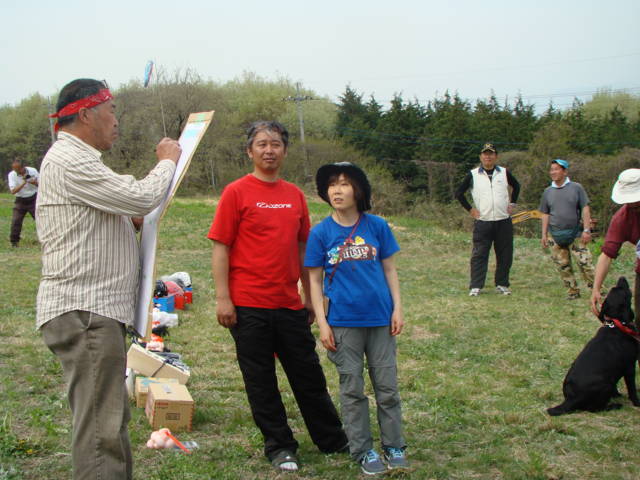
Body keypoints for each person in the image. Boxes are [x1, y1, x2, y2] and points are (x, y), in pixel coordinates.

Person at [36, 78, 181, 480]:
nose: (117, 120)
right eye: (111, 110)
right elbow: (138, 197)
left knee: (108, 422)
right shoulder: (69, 158)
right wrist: (168, 160)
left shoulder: (78, 160)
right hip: (86, 311)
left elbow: (110, 214)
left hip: (92, 311)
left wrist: (126, 221)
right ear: (86, 114)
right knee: (101, 432)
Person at [208, 121, 347, 472]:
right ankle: (280, 446)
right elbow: (221, 248)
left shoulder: (294, 195)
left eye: (275, 144)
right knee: (261, 381)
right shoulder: (236, 192)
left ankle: (332, 439)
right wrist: (223, 298)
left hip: (288, 303)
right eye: (261, 144)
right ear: (249, 151)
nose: (269, 150)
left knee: (308, 375)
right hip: (248, 304)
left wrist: (307, 296)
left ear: (285, 150)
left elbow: (303, 248)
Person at [304, 162, 408, 475]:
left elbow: (390, 269)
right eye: (332, 184)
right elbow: (313, 280)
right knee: (352, 388)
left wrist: (398, 308)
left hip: (379, 319)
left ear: (358, 190)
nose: (337, 190)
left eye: (345, 184)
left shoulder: (377, 226)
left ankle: (394, 445)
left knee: (387, 387)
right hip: (342, 323)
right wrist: (323, 323)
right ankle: (363, 450)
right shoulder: (320, 233)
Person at [455, 143, 520, 296]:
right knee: (479, 254)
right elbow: (459, 193)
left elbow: (516, 186)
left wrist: (512, 203)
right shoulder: (473, 174)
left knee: (505, 254)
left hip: (503, 220)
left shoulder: (504, 172)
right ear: (481, 157)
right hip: (483, 221)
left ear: (496, 156)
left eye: (491, 154)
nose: (488, 157)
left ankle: (502, 284)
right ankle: (476, 286)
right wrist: (470, 209)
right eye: (485, 154)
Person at [539, 159, 595, 300]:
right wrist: (544, 234)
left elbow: (585, 208)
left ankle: (596, 290)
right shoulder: (547, 191)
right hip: (555, 234)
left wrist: (587, 230)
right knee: (563, 265)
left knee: (585, 263)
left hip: (576, 233)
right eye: (551, 169)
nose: (553, 172)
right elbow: (545, 213)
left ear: (565, 171)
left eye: (557, 169)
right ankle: (572, 292)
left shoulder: (576, 188)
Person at [590, 168, 640, 319]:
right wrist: (596, 289)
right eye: (630, 204)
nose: (633, 206)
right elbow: (606, 256)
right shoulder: (622, 219)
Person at [7, 159, 38, 247]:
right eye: (15, 169)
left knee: (39, 220)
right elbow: (13, 191)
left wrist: (34, 182)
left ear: (23, 167)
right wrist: (24, 182)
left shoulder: (33, 171)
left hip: (33, 198)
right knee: (16, 221)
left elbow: (41, 184)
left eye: (18, 169)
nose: (17, 171)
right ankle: (14, 242)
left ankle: (44, 239)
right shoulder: (12, 175)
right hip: (20, 200)